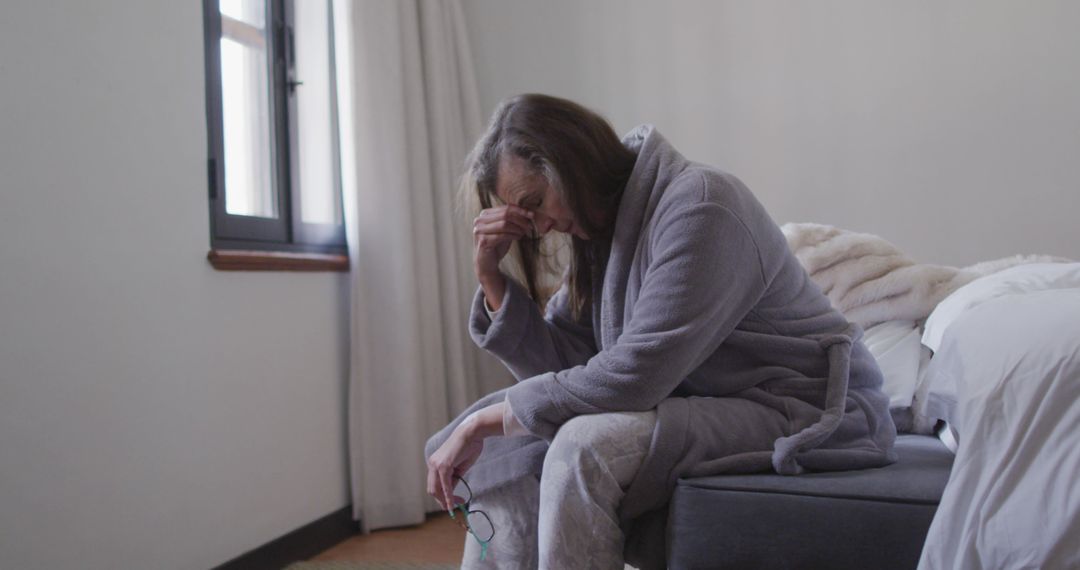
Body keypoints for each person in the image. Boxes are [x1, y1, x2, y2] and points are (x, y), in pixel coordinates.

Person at [425, 94, 897, 570]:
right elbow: (566, 371)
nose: (542, 227)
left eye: (535, 204)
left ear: (570, 162)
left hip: (803, 404)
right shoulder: (600, 232)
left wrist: (482, 421)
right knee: (513, 439)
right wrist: (491, 277)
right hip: (708, 401)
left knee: (581, 444)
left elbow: (635, 376)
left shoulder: (702, 205)